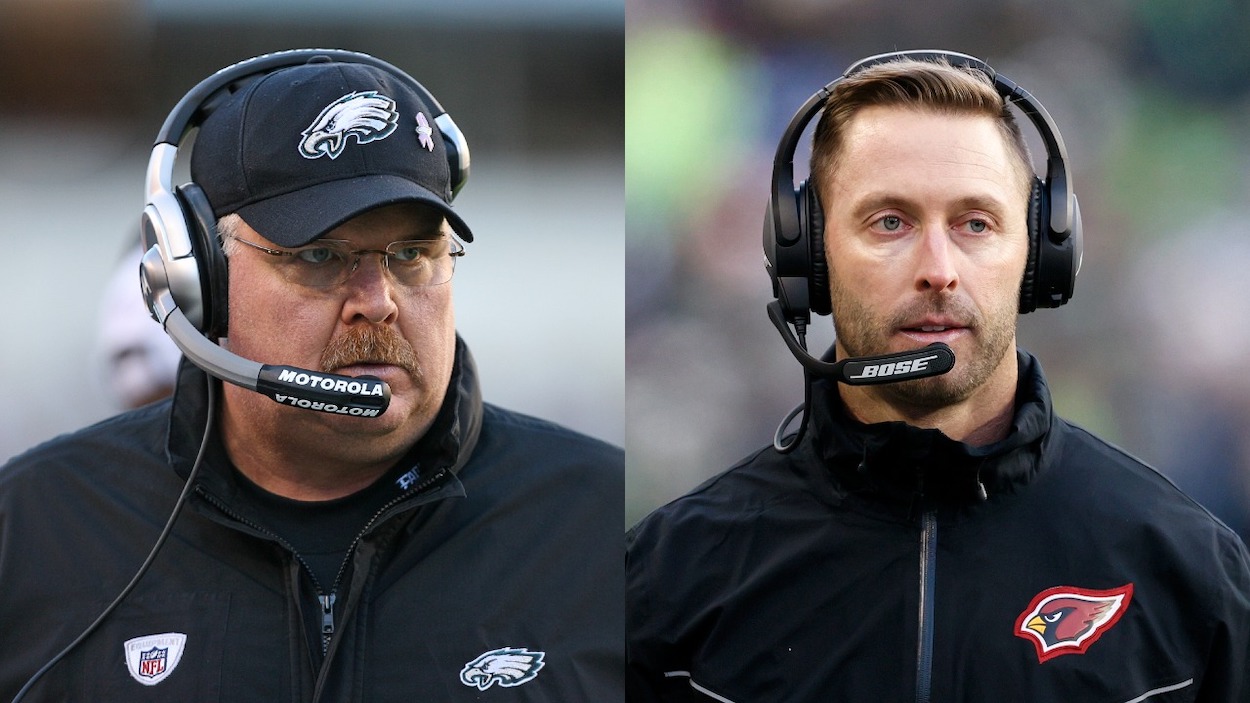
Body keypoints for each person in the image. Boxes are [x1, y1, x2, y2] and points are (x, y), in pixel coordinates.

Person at [626, 51, 1250, 702]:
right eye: (889, 221)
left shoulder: (1189, 570)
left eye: (975, 223)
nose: (938, 268)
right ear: (807, 256)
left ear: (1041, 255)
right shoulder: (665, 580)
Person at [0, 50, 623, 701]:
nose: (376, 299)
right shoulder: (33, 527)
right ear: (201, 281)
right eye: (320, 255)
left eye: (412, 253)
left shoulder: (603, 529)